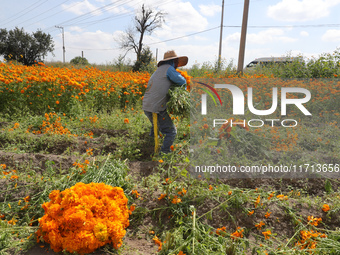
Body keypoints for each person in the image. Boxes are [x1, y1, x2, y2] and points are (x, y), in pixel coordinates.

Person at [142, 50, 188, 154]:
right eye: (176, 62)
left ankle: (149, 144)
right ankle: (164, 153)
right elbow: (182, 81)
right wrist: (181, 92)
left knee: (156, 125)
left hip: (146, 105)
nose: (177, 65)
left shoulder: (158, 70)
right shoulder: (169, 69)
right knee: (171, 132)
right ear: (172, 61)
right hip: (157, 107)